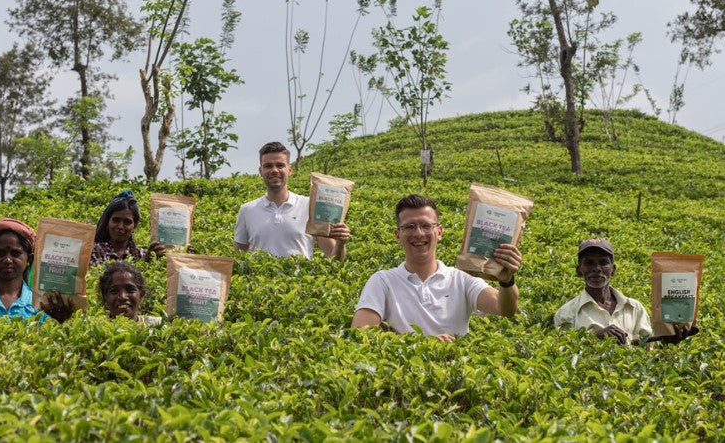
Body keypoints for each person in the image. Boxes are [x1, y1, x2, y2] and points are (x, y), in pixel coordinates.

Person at [351, 194, 521, 341]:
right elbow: (361, 331)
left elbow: (504, 308)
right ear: (398, 235)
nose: (418, 233)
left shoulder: (461, 279)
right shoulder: (383, 281)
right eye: (409, 227)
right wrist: (423, 345)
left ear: (439, 232)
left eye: (426, 226)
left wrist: (506, 281)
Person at [554, 237, 696, 346]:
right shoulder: (566, 313)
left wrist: (668, 342)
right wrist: (594, 338)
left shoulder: (635, 308)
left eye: (603, 262)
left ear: (613, 270)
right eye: (589, 263)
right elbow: (563, 353)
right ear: (579, 271)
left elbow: (648, 351)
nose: (596, 268)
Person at [234, 141, 351, 260]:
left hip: (299, 279)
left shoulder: (310, 206)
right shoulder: (246, 211)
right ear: (260, 171)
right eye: (268, 166)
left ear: (289, 170)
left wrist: (340, 243)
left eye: (280, 165)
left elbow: (333, 259)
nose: (274, 170)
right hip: (261, 278)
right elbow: (239, 259)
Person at [91, 190, 168, 266]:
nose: (120, 226)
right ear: (107, 222)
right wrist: (144, 264)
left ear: (135, 225)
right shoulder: (94, 251)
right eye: (116, 220)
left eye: (127, 222)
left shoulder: (140, 254)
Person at [98, 261, 161, 326]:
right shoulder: (94, 331)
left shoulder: (157, 326)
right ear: (105, 297)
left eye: (130, 290)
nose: (122, 297)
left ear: (141, 295)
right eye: (114, 291)